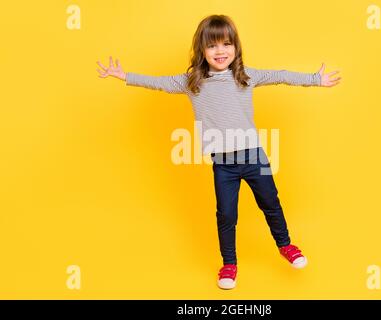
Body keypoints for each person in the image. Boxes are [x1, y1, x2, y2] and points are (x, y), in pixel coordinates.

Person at [96, 14, 341, 290]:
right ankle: (229, 264)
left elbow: (280, 75)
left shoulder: (245, 76)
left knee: (270, 202)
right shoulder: (193, 82)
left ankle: (286, 245)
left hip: (254, 156)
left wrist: (314, 79)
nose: (220, 51)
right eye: (212, 46)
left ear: (235, 47)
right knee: (226, 213)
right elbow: (159, 82)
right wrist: (124, 76)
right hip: (223, 164)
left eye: (226, 44)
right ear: (202, 50)